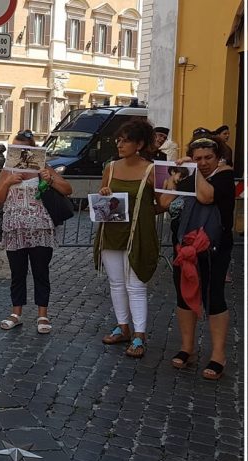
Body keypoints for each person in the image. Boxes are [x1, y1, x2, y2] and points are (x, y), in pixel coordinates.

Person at [159, 136, 235, 380]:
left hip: (213, 248)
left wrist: (195, 172)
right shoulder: (186, 176)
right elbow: (164, 202)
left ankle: (218, 354)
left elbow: (206, 197)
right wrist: (173, 177)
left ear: (218, 157)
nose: (202, 163)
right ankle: (187, 348)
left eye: (207, 158)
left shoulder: (224, 177)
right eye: (198, 158)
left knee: (213, 298)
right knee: (183, 296)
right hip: (183, 246)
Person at [0, 132, 72, 334]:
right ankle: (16, 313)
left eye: (22, 149)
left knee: (40, 272)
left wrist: (50, 179)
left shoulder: (43, 167)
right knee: (17, 273)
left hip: (41, 228)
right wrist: (8, 182)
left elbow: (67, 189)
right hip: (15, 229)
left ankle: (42, 314)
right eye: (15, 149)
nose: (18, 153)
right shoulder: (7, 170)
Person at [94, 119, 159, 358]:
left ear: (140, 143)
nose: (119, 145)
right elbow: (103, 197)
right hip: (111, 232)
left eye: (125, 140)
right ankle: (122, 327)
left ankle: (139, 334)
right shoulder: (111, 167)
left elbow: (160, 204)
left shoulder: (151, 170)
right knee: (116, 283)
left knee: (136, 285)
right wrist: (104, 194)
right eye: (118, 140)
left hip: (137, 233)